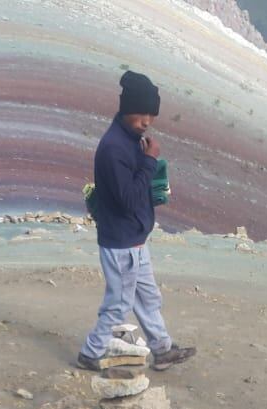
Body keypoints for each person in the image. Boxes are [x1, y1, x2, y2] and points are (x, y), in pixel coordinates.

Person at [79, 70, 195, 373]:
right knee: (118, 304)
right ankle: (91, 352)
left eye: (151, 115)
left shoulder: (131, 140)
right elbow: (128, 200)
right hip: (121, 243)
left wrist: (148, 170)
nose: (146, 121)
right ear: (126, 109)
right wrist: (149, 162)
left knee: (148, 298)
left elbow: (131, 190)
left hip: (134, 239)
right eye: (141, 113)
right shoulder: (114, 148)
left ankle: (163, 349)